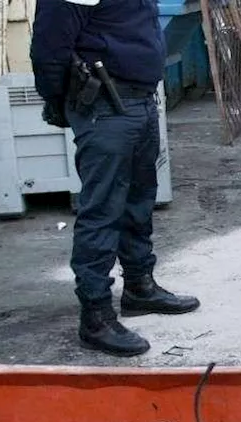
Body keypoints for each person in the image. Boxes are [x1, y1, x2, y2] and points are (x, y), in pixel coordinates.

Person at [32, 0, 200, 357]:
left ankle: (139, 286)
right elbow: (49, 48)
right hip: (105, 102)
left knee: (139, 200)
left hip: (139, 99)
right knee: (103, 210)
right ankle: (96, 316)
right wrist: (60, 101)